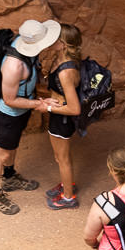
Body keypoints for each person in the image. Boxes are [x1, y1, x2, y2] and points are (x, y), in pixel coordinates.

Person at [0, 18, 61, 215]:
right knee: (0, 152)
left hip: (21, 110)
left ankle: (9, 177)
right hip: (8, 113)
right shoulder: (14, 66)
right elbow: (9, 99)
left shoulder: (26, 45)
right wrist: (40, 103)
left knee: (12, 146)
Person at [41, 26, 86, 210]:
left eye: (56, 38)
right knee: (60, 157)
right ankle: (67, 184)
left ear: (64, 44)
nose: (51, 40)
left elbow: (75, 109)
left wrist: (49, 107)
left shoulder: (66, 72)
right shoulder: (60, 59)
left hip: (63, 119)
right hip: (57, 116)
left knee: (63, 158)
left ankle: (68, 198)